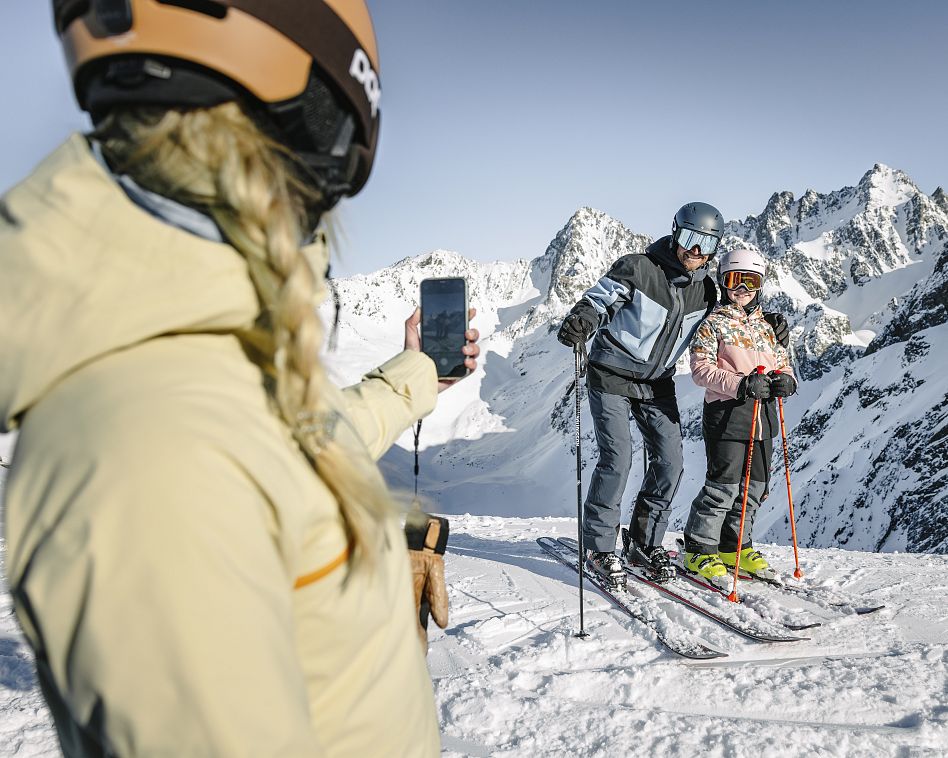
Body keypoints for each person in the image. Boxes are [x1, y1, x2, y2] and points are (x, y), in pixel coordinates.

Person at [0, 2, 478, 755]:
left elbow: (293, 439)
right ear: (320, 121)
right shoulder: (149, 455)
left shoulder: (187, 335)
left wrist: (364, 536)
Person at [556, 202, 723, 586]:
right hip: (611, 372)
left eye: (706, 244)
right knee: (618, 458)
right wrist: (583, 320)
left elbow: (733, 319)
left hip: (656, 381)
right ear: (675, 233)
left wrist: (769, 322)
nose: (695, 251)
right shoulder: (639, 268)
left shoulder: (707, 291)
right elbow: (601, 299)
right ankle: (599, 547)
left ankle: (644, 543)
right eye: (689, 239)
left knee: (671, 461)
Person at [682, 248, 797, 585]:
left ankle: (734, 546)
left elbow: (782, 361)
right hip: (727, 415)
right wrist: (742, 384)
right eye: (735, 280)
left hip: (763, 419)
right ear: (723, 281)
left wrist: (786, 379)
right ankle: (700, 549)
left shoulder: (767, 328)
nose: (743, 288)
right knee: (723, 488)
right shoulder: (713, 324)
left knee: (755, 489)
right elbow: (701, 371)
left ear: (760, 285)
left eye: (751, 281)